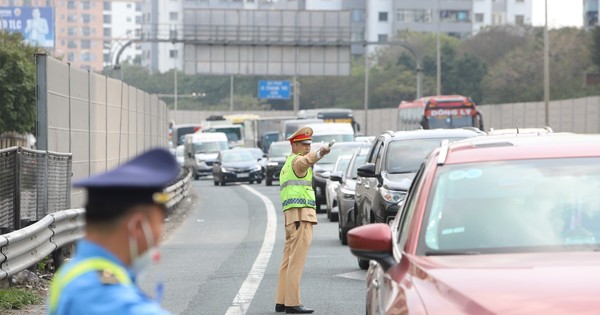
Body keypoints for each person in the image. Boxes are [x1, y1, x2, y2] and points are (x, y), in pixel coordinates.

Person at [47, 148, 180, 315]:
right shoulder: (104, 296)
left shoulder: (72, 273)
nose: (159, 237)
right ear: (138, 226)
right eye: (160, 222)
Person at [275, 126, 330, 314]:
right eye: (304, 144)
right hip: (300, 216)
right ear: (294, 144)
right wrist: (320, 152)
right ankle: (292, 303)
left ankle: (281, 300)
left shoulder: (287, 164)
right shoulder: (298, 162)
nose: (308, 147)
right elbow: (307, 161)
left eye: (310, 144)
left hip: (292, 217)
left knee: (287, 260)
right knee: (296, 260)